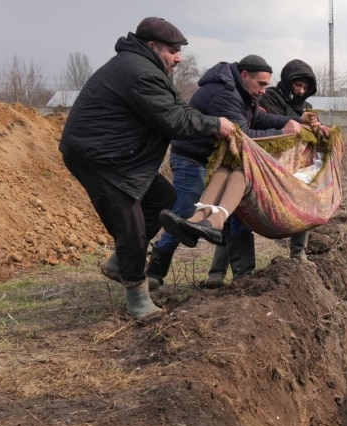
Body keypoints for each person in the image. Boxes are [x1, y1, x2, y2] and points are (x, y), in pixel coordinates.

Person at [59, 17, 235, 321]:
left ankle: (118, 263)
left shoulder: (148, 69)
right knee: (131, 224)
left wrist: (208, 121)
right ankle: (137, 298)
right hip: (100, 158)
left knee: (162, 199)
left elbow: (178, 109)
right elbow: (172, 121)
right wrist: (214, 124)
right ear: (152, 46)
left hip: (121, 157)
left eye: (179, 50)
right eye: (172, 50)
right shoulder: (139, 72)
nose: (178, 57)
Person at [147, 55, 317, 289]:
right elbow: (243, 137)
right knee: (184, 214)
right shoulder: (226, 95)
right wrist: (285, 133)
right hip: (193, 158)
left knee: (236, 214)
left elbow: (260, 117)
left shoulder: (243, 94)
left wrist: (293, 120)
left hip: (219, 160)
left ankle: (242, 275)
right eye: (261, 84)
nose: (264, 90)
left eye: (267, 85)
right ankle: (154, 272)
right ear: (245, 76)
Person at [259, 59, 326, 262]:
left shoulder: (306, 106)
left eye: (305, 87)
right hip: (267, 163)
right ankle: (220, 271)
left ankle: (298, 252)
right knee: (243, 215)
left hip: (296, 165)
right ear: (288, 82)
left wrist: (316, 127)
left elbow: (310, 134)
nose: (301, 90)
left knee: (304, 199)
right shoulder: (270, 97)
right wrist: (300, 120)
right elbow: (272, 121)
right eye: (298, 85)